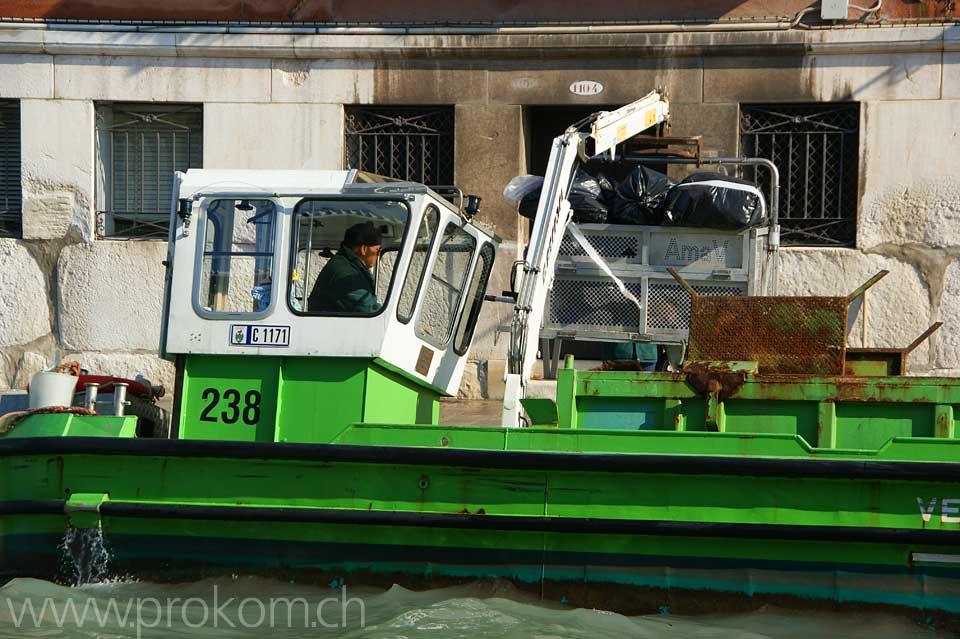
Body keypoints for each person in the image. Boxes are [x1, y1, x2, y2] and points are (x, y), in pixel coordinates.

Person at [308, 222, 382, 314]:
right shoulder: (345, 271)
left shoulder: (349, 265)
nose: (379, 255)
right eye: (377, 250)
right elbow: (367, 309)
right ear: (364, 249)